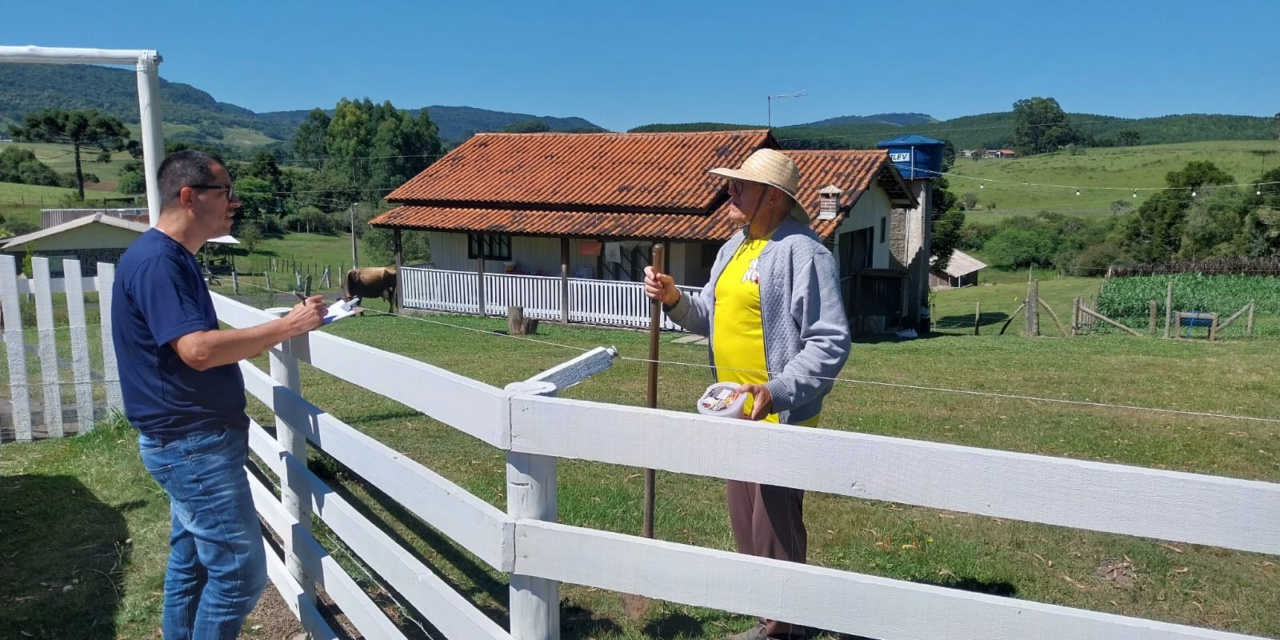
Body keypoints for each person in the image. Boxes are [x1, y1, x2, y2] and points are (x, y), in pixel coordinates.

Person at [112, 149, 327, 639]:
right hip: (191, 443)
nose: (235, 202)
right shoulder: (159, 263)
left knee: (190, 562)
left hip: (187, 439)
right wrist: (286, 326)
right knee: (238, 574)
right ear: (190, 197)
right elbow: (198, 350)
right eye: (226, 191)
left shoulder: (167, 257)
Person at [644, 148, 851, 640]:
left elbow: (829, 341)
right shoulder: (733, 248)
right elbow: (710, 317)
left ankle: (784, 629)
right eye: (731, 183)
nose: (729, 191)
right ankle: (769, 619)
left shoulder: (804, 253)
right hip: (735, 414)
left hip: (779, 417)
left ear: (773, 197)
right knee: (745, 523)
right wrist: (674, 299)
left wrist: (776, 392)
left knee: (775, 527)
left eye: (741, 185)